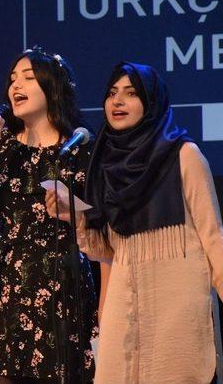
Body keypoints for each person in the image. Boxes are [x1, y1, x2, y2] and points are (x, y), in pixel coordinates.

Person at [46, 62, 223, 383]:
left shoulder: (184, 155)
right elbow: (107, 250)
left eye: (130, 94)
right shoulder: (106, 164)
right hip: (124, 306)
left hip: (177, 305)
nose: (117, 102)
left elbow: (214, 237)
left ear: (151, 102)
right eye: (112, 93)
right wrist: (74, 214)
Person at [0, 48, 98, 383]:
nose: (15, 85)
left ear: (52, 87)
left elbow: (102, 222)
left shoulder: (80, 147)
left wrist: (72, 209)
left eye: (28, 77)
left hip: (64, 281)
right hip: (10, 282)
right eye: (12, 79)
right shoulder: (3, 146)